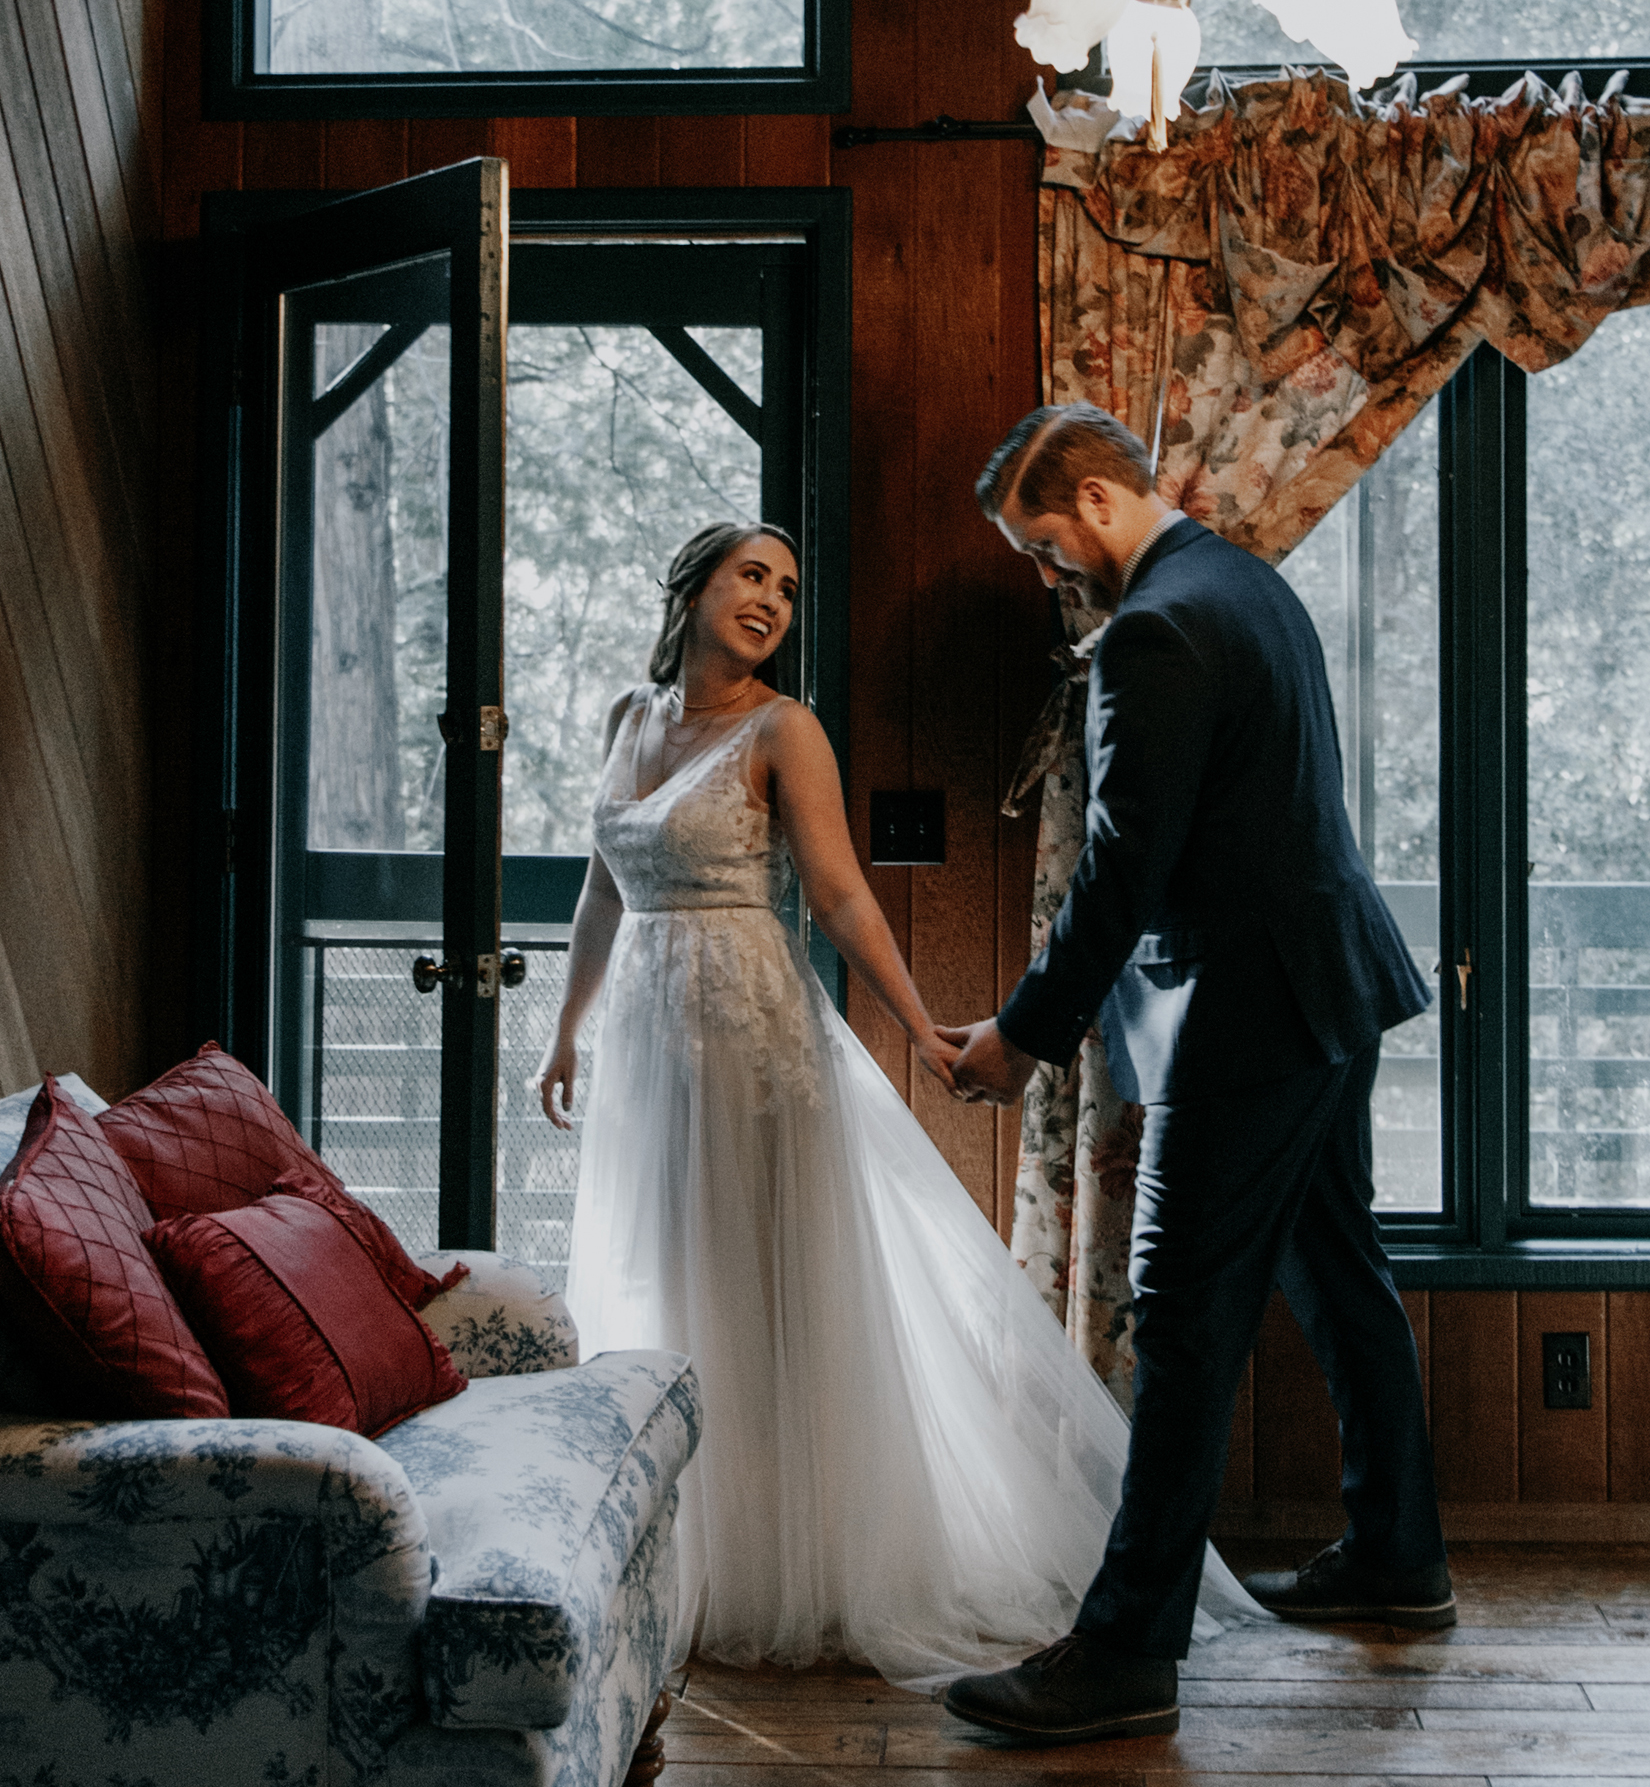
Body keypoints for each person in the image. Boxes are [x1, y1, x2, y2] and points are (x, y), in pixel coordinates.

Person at [535, 515, 1263, 1684]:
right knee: (662, 1282)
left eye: (785, 583)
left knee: (760, 1285)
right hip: (644, 1042)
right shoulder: (629, 720)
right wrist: (564, 1033)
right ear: (693, 585)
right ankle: (685, 1547)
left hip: (749, 1036)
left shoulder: (786, 729)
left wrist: (921, 1026)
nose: (771, 598)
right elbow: (599, 893)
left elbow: (839, 898)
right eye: (749, 575)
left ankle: (793, 1558)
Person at [939, 406, 1452, 1748]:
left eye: (1046, 547)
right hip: (1329, 981)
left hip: (1249, 1015)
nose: (1050, 576)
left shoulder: (1155, 628)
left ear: (1099, 499)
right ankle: (1399, 1553)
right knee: (1341, 1269)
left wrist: (1021, 1030)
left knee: (1175, 1314)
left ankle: (1125, 1647)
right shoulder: (1246, 581)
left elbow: (1124, 865)